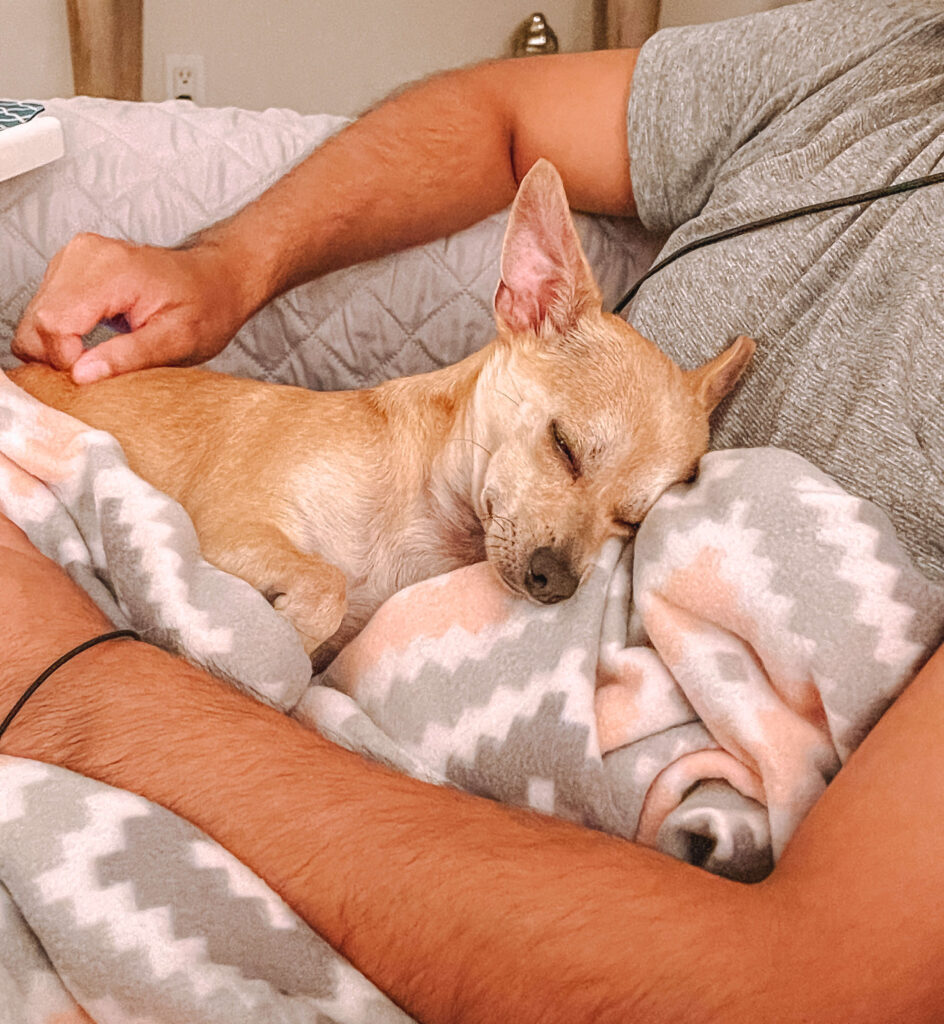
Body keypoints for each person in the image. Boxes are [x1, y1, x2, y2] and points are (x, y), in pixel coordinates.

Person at [3, 0, 944, 1019]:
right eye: (562, 452)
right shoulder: (871, 51)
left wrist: (86, 692)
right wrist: (224, 265)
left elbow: (807, 984)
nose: (561, 555)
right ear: (527, 294)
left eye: (620, 519)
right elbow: (502, 117)